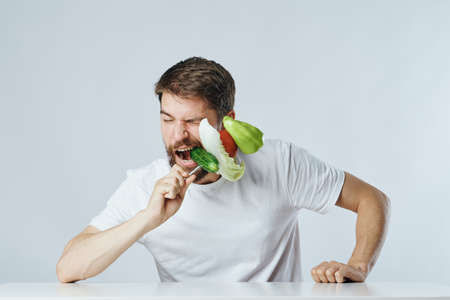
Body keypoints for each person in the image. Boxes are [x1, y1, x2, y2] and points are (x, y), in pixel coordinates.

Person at [56, 57, 390, 283]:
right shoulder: (145, 186)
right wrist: (148, 218)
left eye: (193, 122)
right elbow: (68, 267)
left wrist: (359, 266)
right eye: (167, 119)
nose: (177, 135)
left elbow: (372, 199)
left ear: (226, 120)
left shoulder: (278, 163)